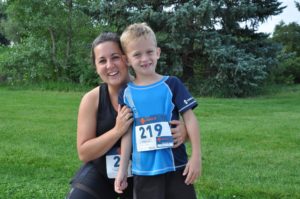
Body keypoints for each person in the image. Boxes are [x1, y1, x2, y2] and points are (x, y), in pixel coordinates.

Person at [65, 32, 188, 199]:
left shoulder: (150, 90)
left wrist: (183, 132)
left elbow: (178, 127)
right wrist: (117, 130)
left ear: (126, 58)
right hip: (102, 172)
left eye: (115, 57)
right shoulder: (91, 99)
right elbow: (84, 153)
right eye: (102, 61)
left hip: (144, 172)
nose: (110, 65)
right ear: (96, 66)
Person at [114, 23, 202, 199]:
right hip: (143, 171)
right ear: (127, 60)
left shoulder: (172, 84)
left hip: (176, 167)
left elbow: (190, 119)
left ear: (158, 53)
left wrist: (196, 156)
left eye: (149, 52)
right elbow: (127, 132)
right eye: (137, 54)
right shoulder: (126, 93)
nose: (145, 58)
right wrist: (123, 169)